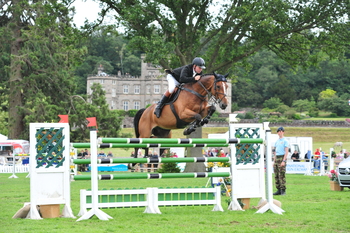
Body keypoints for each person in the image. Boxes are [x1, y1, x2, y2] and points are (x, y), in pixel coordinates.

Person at [273, 127, 289, 196]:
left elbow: (286, 151)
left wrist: (284, 160)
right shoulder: (277, 141)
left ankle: (283, 190)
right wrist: (274, 161)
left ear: (283, 132)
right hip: (277, 158)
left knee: (281, 174)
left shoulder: (285, 140)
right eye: (279, 131)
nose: (280, 132)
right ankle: (278, 189)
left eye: (281, 131)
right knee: (276, 174)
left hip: (282, 157)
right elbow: (275, 152)